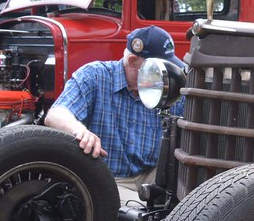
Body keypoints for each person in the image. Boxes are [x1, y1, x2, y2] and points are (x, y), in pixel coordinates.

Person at [45, 26, 185, 204]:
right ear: (133, 61)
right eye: (157, 67)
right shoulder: (95, 76)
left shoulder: (167, 88)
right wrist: (81, 132)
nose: (166, 72)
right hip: (110, 179)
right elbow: (56, 114)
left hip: (155, 175)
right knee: (146, 213)